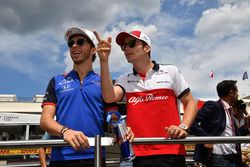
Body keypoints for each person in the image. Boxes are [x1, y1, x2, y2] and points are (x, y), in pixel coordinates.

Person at [94, 30, 198, 167]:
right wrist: (104, 61)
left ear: (147, 48)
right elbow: (108, 97)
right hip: (138, 153)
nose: (126, 49)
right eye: (123, 47)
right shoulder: (125, 80)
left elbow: (191, 102)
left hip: (171, 149)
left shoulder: (170, 71)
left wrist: (183, 127)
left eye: (131, 44)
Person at [40, 26, 134, 167]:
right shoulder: (56, 81)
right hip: (61, 157)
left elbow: (113, 118)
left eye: (80, 42)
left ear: (93, 49)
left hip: (95, 155)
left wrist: (123, 128)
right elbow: (45, 121)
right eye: (71, 43)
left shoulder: (105, 83)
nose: (74, 46)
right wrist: (65, 131)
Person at [190, 80, 248, 167]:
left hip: (233, 157)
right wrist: (206, 139)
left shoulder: (229, 111)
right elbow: (191, 122)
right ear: (231, 92)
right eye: (237, 92)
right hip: (218, 158)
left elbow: (234, 136)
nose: (238, 95)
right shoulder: (214, 106)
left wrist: (247, 126)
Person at [233, 99, 250, 165]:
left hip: (248, 147)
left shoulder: (246, 118)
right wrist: (246, 127)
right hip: (237, 148)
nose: (233, 109)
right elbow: (236, 134)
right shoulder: (231, 119)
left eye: (235, 108)